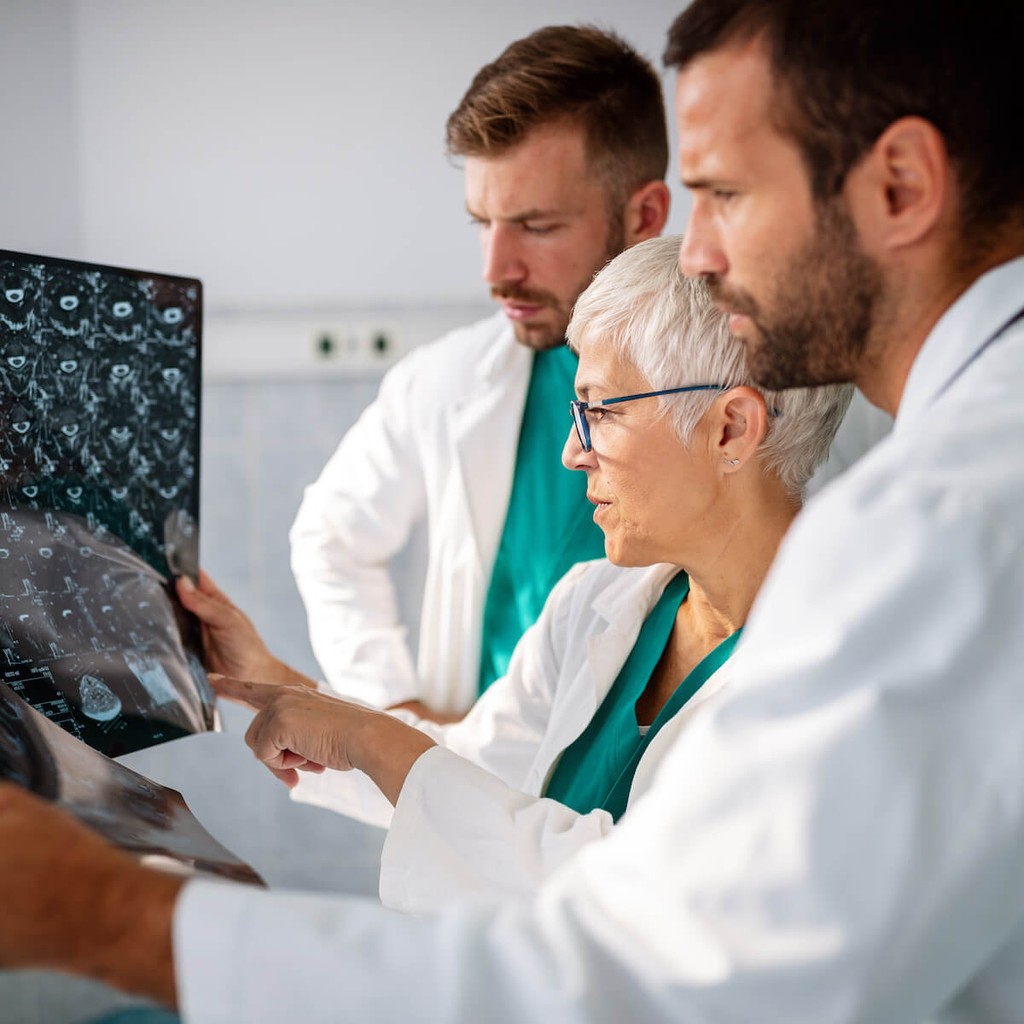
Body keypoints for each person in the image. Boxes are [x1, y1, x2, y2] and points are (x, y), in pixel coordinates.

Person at [3, 1, 1022, 1020]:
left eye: (723, 193)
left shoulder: (932, 531)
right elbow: (476, 779)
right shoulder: (613, 600)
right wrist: (272, 686)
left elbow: (652, 969)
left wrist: (116, 916)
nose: (697, 252)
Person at [175, 234, 852, 911]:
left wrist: (371, 739)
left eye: (602, 411)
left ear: (731, 429)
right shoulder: (593, 602)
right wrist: (268, 680)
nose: (570, 453)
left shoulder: (832, 674)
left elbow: (647, 898)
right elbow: (471, 775)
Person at [288, 24, 671, 721]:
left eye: (537, 225)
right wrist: (400, 719)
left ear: (644, 214)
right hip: (480, 785)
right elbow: (330, 537)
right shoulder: (446, 380)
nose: (496, 271)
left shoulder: (750, 389)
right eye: (482, 223)